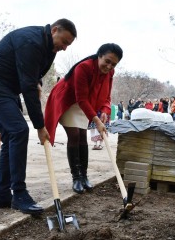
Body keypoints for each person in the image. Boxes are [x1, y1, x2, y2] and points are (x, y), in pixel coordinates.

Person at [0, 18, 77, 215]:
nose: (64, 48)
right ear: (54, 30)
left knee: (12, 135)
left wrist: (37, 82)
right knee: (19, 130)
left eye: (68, 45)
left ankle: (2, 195)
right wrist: (40, 126)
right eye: (64, 42)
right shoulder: (31, 40)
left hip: (7, 86)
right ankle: (19, 194)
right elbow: (27, 85)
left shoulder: (49, 48)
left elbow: (33, 74)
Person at [44, 43, 123, 194]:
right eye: (107, 61)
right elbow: (81, 99)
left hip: (86, 103)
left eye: (113, 64)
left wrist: (105, 110)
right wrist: (97, 121)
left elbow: (106, 96)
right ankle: (76, 178)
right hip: (68, 101)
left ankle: (84, 176)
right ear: (99, 55)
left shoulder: (110, 73)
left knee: (82, 138)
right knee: (74, 136)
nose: (109, 66)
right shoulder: (84, 67)